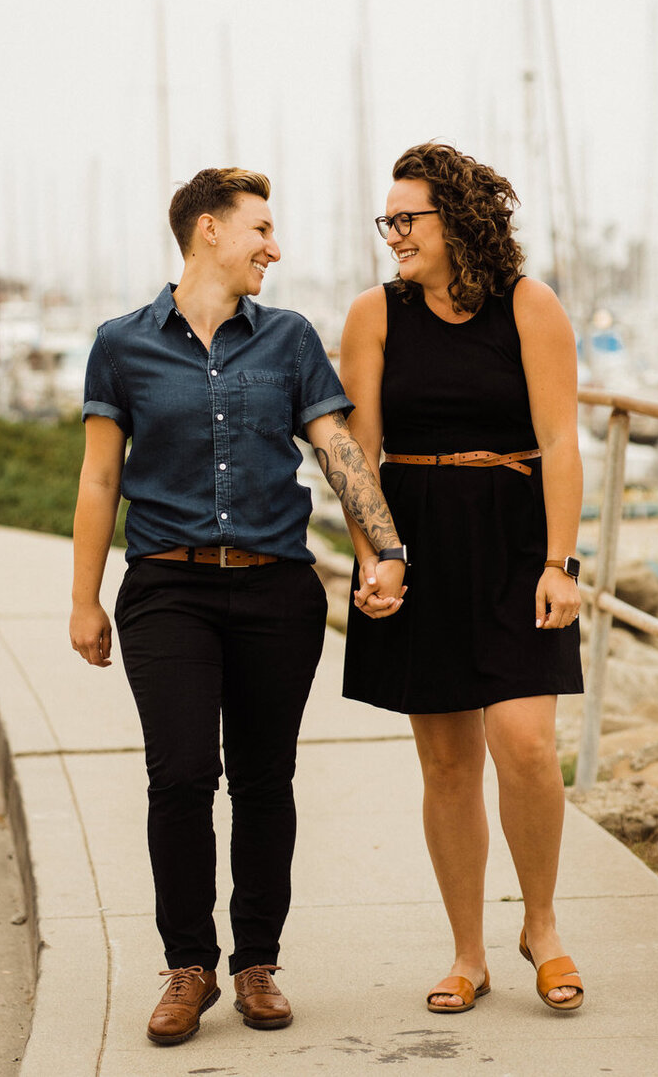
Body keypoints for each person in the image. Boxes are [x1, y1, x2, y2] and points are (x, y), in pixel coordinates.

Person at [70, 167, 407, 1047]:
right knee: (180, 776)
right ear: (208, 230)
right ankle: (189, 966)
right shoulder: (122, 343)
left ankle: (257, 962)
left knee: (264, 780)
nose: (275, 246)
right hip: (166, 589)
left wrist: (386, 550)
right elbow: (101, 476)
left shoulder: (289, 339)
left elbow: (337, 449)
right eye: (262, 227)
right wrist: (84, 600)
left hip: (274, 589)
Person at [340, 141, 585, 1016]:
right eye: (389, 220)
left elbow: (561, 441)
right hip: (417, 545)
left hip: (516, 542)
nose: (393, 234)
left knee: (524, 741)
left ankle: (544, 928)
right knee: (447, 761)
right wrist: (375, 556)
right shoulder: (374, 315)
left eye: (408, 219)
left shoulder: (530, 305)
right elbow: (357, 455)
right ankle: (469, 953)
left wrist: (562, 563)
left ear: (459, 221)